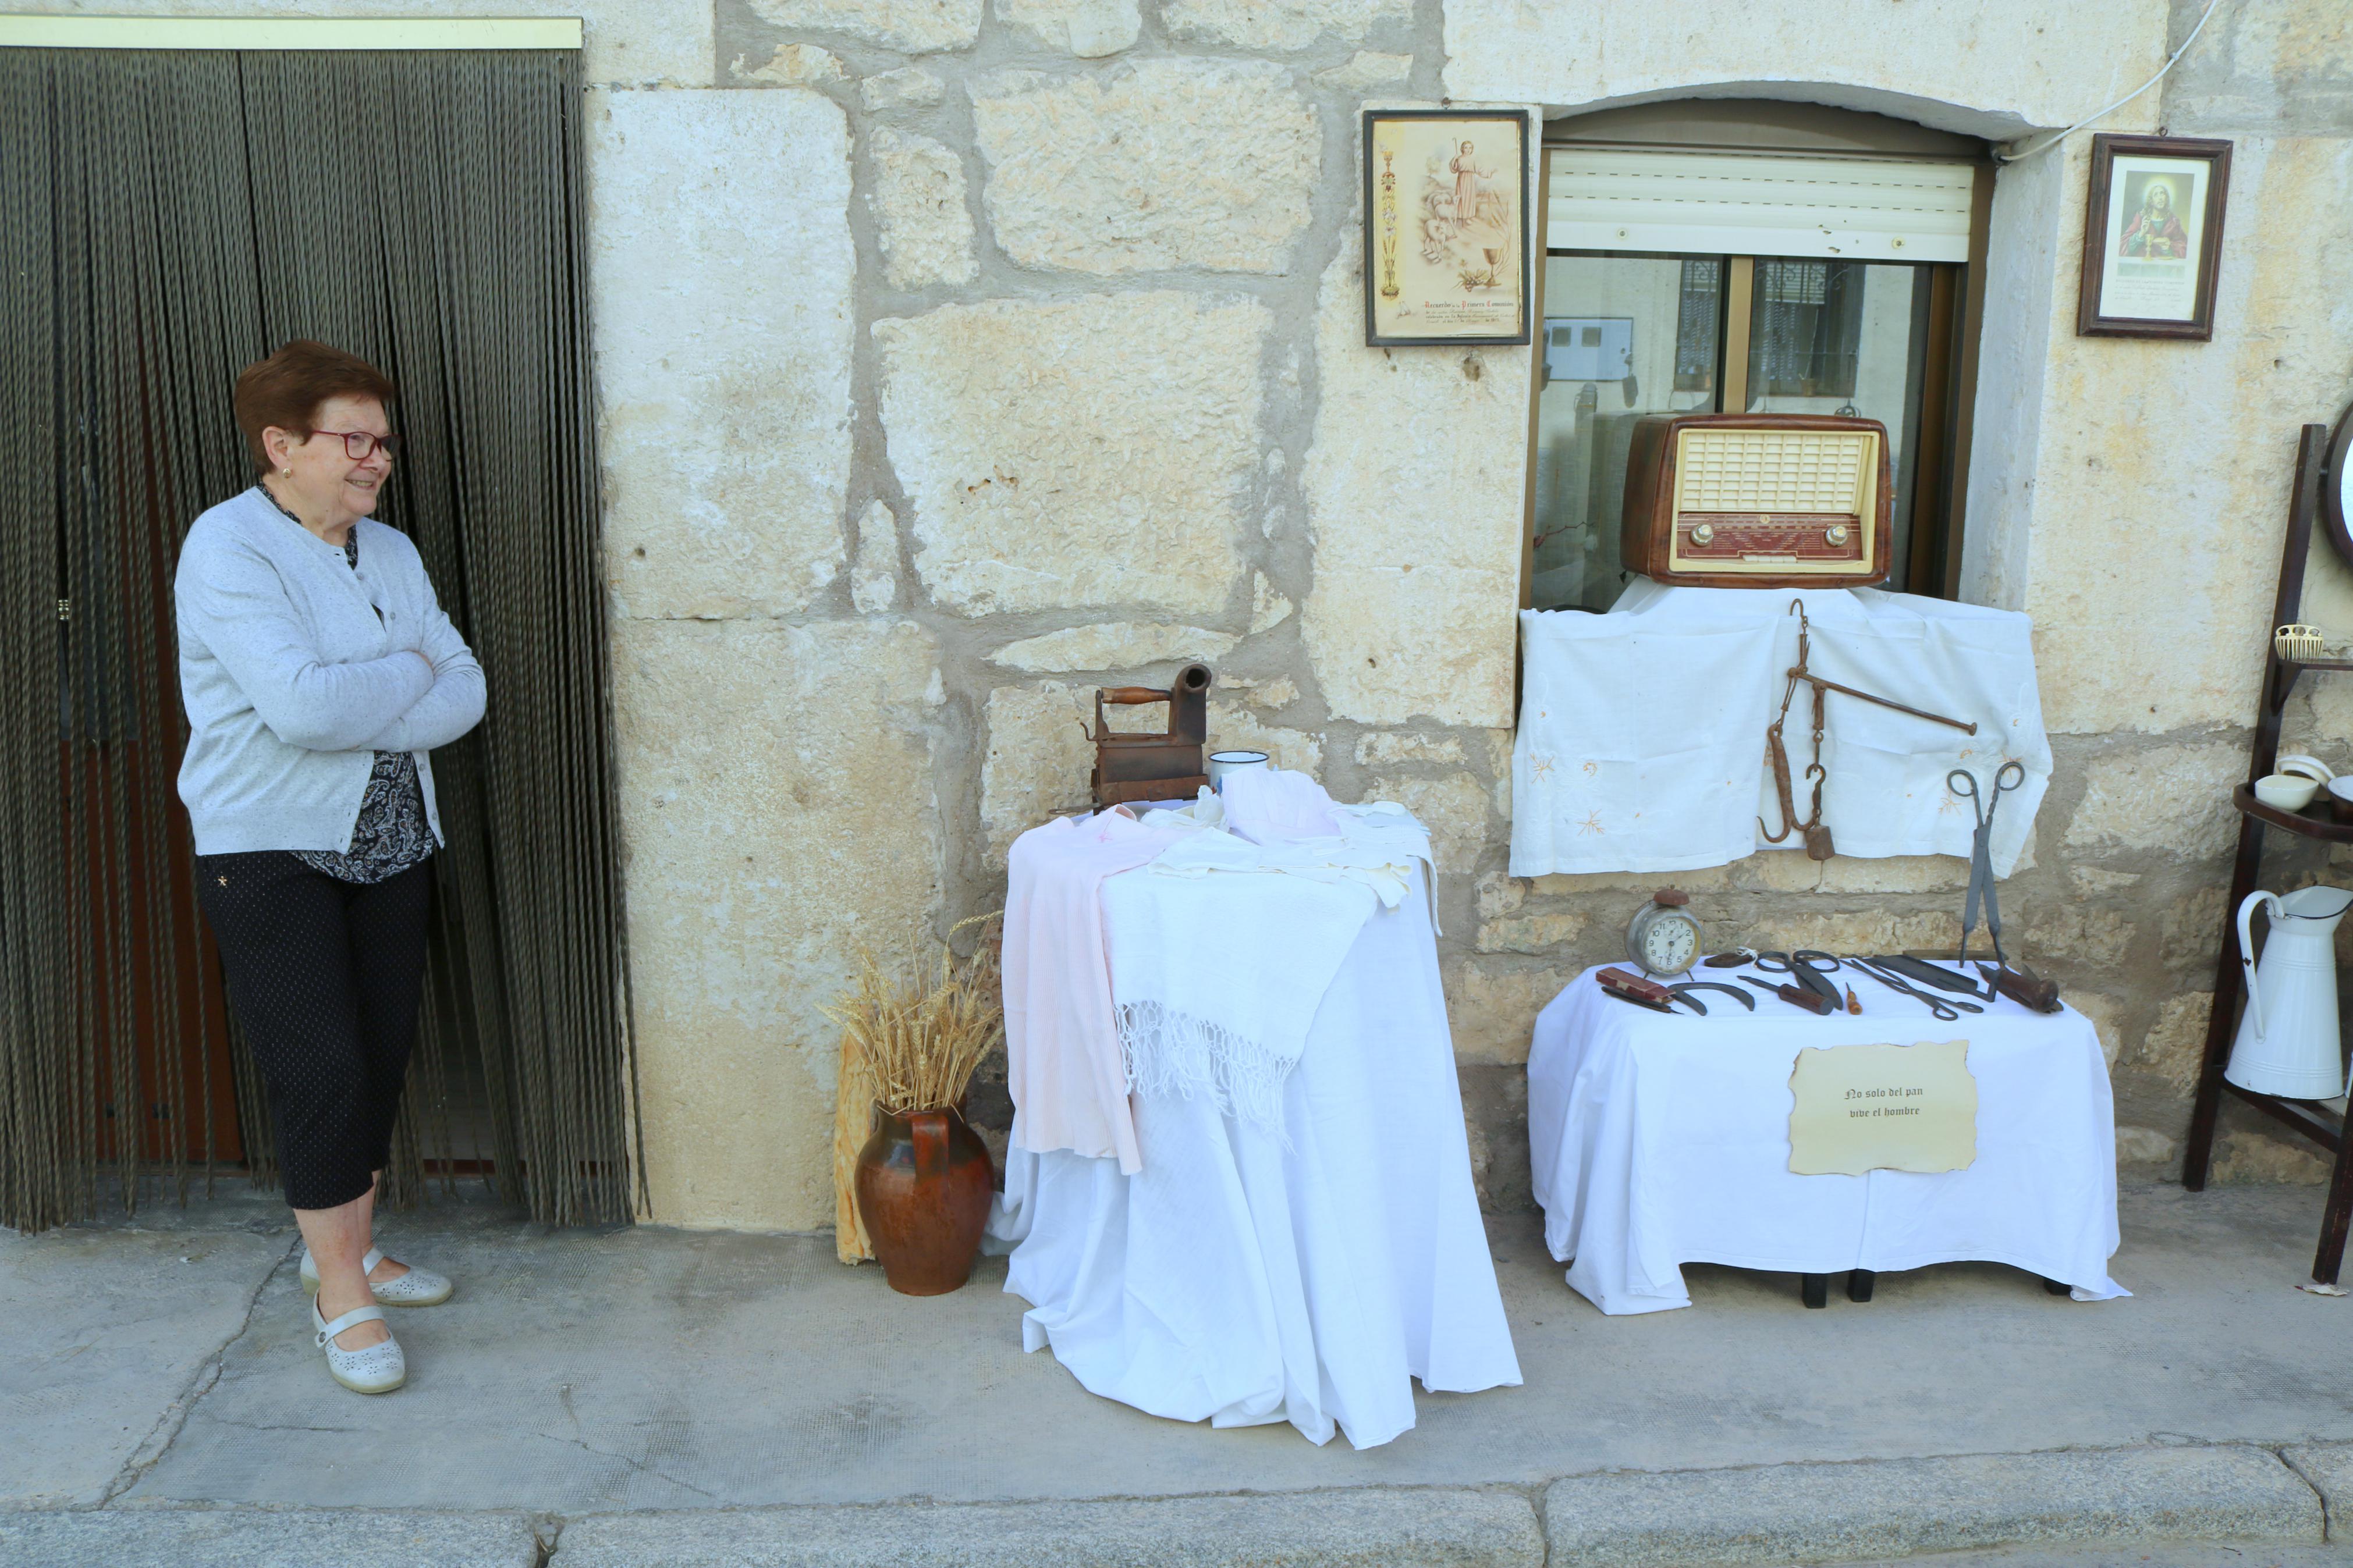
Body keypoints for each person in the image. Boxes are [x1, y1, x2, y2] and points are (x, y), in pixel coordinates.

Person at [176, 340, 485, 1395]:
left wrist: (376, 685)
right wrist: (407, 673)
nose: (377, 460)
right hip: (269, 848)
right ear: (283, 444)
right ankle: (340, 1292)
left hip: (394, 840)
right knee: (321, 1071)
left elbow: (468, 691)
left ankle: (349, 1247)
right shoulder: (230, 549)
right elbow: (298, 708)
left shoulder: (388, 552)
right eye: (353, 440)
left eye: (382, 442)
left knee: (382, 1056)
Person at [2118, 179, 2189, 260]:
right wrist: (2141, 233)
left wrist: (2169, 247)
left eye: (2162, 194)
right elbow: (2122, 246)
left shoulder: (2173, 222)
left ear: (2166, 198)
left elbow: (2185, 248)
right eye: (2156, 195)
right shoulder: (2141, 219)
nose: (2160, 198)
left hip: (2166, 269)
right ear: (2151, 201)